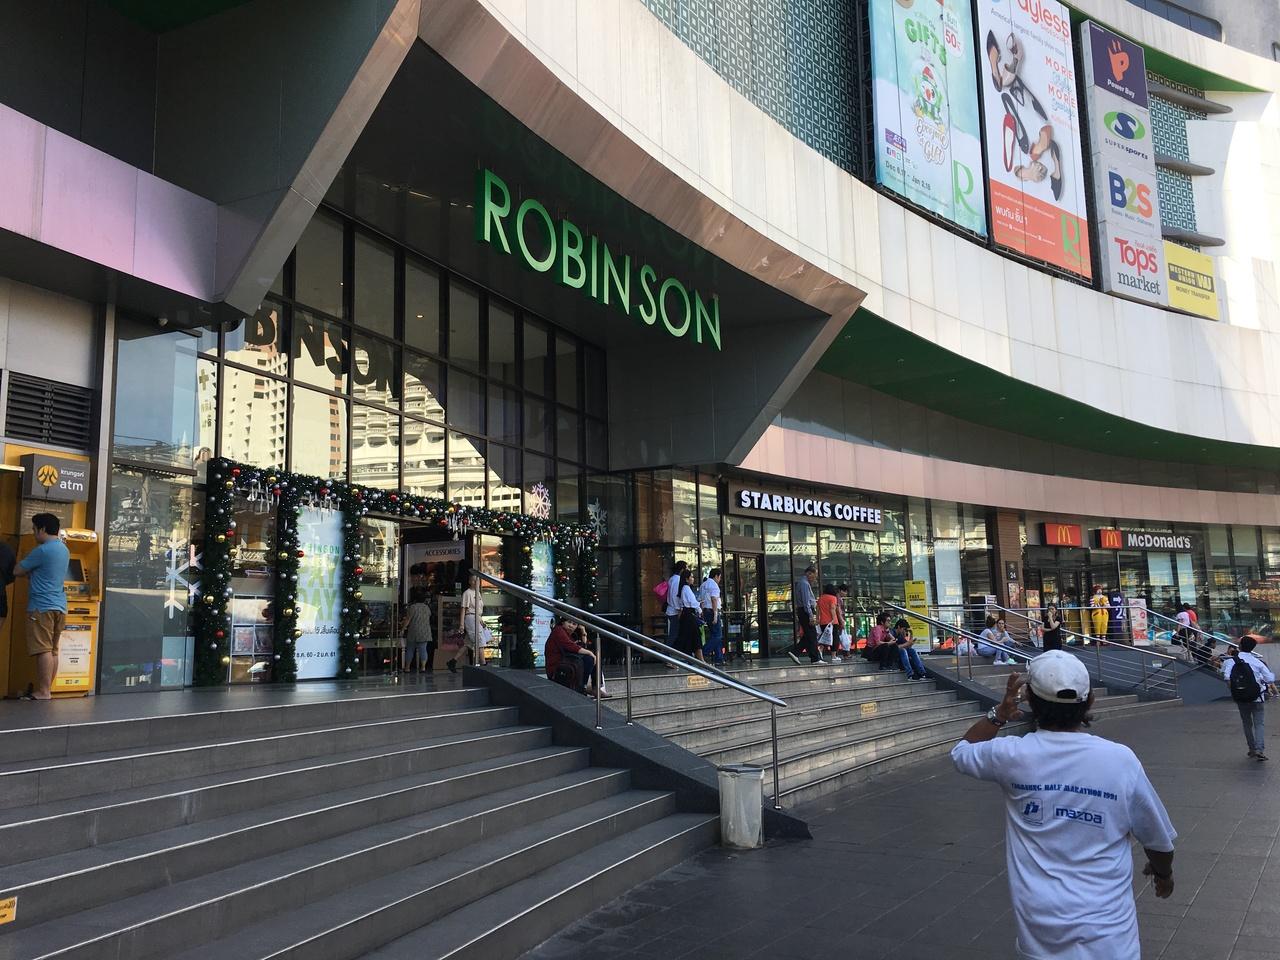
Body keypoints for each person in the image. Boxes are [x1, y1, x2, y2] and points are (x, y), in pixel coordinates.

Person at [951, 652, 1177, 959]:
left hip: (1040, 944)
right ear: (1090, 701)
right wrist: (1163, 874)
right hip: (1111, 944)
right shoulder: (1120, 760)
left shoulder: (1011, 755)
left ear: (1030, 700)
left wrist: (1000, 713)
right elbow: (1158, 841)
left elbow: (962, 751)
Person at [16, 513, 70, 701]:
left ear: (43, 529)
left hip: (41, 607)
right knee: (53, 650)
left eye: (34, 529)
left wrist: (29, 572)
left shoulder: (42, 550)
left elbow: (17, 570)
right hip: (60, 606)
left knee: (43, 649)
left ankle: (43, 691)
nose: (33, 533)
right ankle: (48, 690)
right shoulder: (64, 549)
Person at [1223, 636, 1276, 761]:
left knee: (1246, 723)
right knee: (1259, 724)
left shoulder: (1231, 661)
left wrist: (1235, 692)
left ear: (1240, 646)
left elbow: (1227, 677)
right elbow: (1270, 679)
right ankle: (1259, 749)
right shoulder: (1257, 662)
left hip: (1241, 697)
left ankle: (1251, 749)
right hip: (1257, 697)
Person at [544, 616, 608, 697]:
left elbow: (583, 647)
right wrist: (589, 653)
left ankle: (595, 687)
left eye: (574, 624)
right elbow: (571, 646)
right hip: (556, 670)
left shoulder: (570, 635)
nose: (571, 625)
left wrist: (583, 631)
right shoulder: (558, 630)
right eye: (569, 622)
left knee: (593, 658)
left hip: (566, 665)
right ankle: (581, 687)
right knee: (589, 658)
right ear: (563, 622)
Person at [787, 566, 823, 665]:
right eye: (814, 575)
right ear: (809, 573)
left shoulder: (804, 583)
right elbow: (806, 602)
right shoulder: (804, 584)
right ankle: (814, 658)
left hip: (804, 611)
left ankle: (796, 652)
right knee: (812, 634)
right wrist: (811, 616)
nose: (815, 578)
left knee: (809, 635)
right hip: (805, 611)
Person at [454, 572, 484, 673]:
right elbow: (463, 609)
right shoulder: (467, 593)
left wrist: (481, 621)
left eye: (477, 581)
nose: (476, 582)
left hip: (477, 618)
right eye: (474, 581)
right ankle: (483, 664)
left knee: (468, 644)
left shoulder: (478, 593)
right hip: (470, 618)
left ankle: (452, 661)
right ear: (470, 582)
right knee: (480, 641)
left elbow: (478, 610)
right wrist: (461, 625)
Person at [400, 587, 435, 673]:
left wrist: (403, 629)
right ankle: (423, 667)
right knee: (423, 649)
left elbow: (408, 620)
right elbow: (429, 617)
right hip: (425, 631)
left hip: (414, 631)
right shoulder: (427, 608)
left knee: (410, 649)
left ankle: (407, 668)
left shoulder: (412, 607)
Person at [675, 568, 705, 662]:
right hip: (689, 615)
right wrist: (700, 608)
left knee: (692, 637)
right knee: (690, 637)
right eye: (691, 577)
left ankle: (700, 659)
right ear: (686, 579)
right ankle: (673, 658)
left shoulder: (684, 588)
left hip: (686, 614)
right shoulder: (686, 588)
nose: (693, 578)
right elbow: (693, 602)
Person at [699, 567, 724, 664]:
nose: (720, 579)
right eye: (720, 577)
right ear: (716, 576)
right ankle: (702, 652)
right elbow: (714, 599)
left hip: (706, 611)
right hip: (712, 611)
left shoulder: (703, 585)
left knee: (714, 635)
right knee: (718, 635)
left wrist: (702, 612)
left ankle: (719, 658)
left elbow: (701, 601)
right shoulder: (714, 585)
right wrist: (715, 615)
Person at [663, 560, 687, 649]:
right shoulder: (677, 580)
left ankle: (670, 652)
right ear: (682, 570)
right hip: (675, 611)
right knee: (674, 634)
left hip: (672, 610)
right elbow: (675, 596)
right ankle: (666, 652)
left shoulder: (672, 579)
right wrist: (679, 609)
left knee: (675, 633)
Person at [816, 584, 840, 663]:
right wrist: (833, 619)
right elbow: (832, 608)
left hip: (822, 622)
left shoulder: (820, 598)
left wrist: (817, 619)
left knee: (825, 637)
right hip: (832, 622)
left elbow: (817, 610)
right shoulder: (833, 598)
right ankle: (833, 656)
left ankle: (820, 649)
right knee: (835, 639)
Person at [834, 585, 852, 661]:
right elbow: (838, 610)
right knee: (839, 637)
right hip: (838, 621)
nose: (846, 593)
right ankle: (843, 654)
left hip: (839, 620)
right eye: (845, 591)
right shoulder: (838, 598)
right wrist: (841, 621)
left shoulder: (839, 598)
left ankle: (844, 654)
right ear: (840, 590)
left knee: (840, 637)